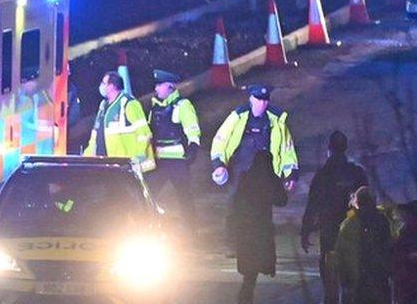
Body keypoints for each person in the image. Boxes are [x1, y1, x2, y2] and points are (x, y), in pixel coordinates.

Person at [300, 131, 368, 304]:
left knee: (330, 287)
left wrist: (306, 230)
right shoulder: (356, 173)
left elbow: (312, 205)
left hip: (329, 237)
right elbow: (366, 202)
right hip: (352, 236)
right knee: (350, 284)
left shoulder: (323, 175)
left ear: (329, 149)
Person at [231, 151, 288, 304]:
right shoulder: (265, 182)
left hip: (249, 235)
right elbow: (282, 199)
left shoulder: (247, 180)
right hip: (255, 235)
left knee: (250, 278)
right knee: (249, 279)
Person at [210, 85, 299, 192]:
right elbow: (220, 141)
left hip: (265, 177)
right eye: (258, 99)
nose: (262, 103)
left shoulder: (277, 122)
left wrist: (291, 175)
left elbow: (287, 150)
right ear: (251, 99)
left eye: (265, 100)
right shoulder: (237, 117)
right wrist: (219, 164)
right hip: (239, 175)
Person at [147, 69, 201, 224]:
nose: (156, 88)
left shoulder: (182, 105)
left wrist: (193, 145)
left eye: (159, 85)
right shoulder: (154, 107)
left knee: (184, 197)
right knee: (148, 194)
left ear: (170, 86)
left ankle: (191, 230)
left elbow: (192, 127)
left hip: (178, 161)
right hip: (158, 161)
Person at [84, 72, 155, 172]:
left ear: (112, 86)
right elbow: (95, 137)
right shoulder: (103, 106)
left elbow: (144, 134)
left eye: (104, 83)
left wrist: (136, 160)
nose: (101, 86)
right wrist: (87, 158)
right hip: (106, 164)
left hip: (125, 166)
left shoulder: (129, 103)